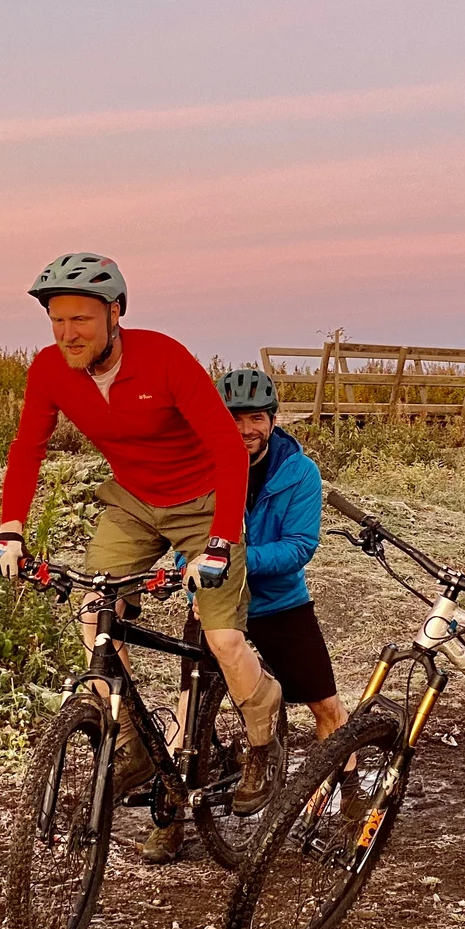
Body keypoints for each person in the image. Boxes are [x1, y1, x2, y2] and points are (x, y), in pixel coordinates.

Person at [0, 254, 283, 824]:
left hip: (203, 502)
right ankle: (133, 746)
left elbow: (227, 448)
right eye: (57, 320)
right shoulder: (48, 370)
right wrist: (10, 529)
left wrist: (220, 541)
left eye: (81, 319)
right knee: (93, 615)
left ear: (114, 313)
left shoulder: (164, 358)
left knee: (223, 639)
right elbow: (28, 448)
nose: (67, 333)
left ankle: (262, 733)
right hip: (133, 502)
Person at [141, 366, 349, 863]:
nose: (245, 429)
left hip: (280, 602)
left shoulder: (299, 472)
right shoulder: (201, 468)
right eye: (234, 419)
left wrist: (231, 561)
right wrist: (187, 566)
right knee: (189, 712)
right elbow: (183, 538)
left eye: (256, 417)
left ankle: (348, 802)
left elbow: (299, 547)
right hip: (216, 602)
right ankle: (173, 817)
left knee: (325, 705)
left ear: (273, 419)